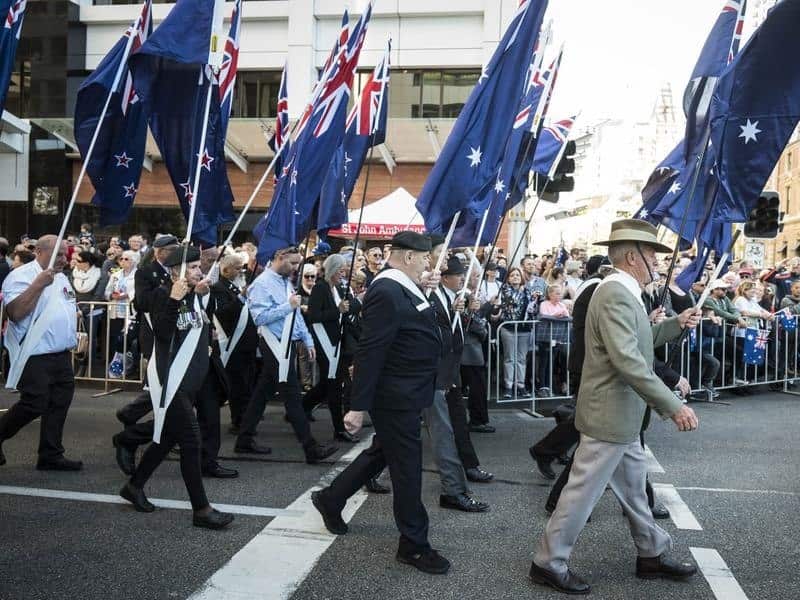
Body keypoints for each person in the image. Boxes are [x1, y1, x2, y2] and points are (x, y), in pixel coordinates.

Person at [530, 219, 701, 595]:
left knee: (636, 492)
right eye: (652, 254)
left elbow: (640, 342)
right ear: (631, 256)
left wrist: (675, 324)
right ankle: (548, 562)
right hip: (610, 414)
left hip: (620, 415)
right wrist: (673, 405)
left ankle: (652, 554)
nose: (657, 261)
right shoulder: (616, 293)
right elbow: (628, 360)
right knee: (580, 495)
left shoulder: (625, 291)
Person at [311, 231, 451, 575]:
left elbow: (420, 323)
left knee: (384, 452)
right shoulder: (387, 290)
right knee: (407, 469)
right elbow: (371, 350)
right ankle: (414, 545)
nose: (428, 264)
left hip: (410, 390)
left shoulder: (405, 285)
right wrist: (357, 406)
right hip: (395, 396)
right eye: (424, 259)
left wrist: (429, 289)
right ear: (407, 258)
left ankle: (332, 497)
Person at [119, 245, 234, 529]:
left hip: (190, 382)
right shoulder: (163, 294)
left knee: (167, 438)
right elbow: (162, 333)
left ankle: (134, 487)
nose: (199, 270)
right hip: (170, 382)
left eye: (198, 266)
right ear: (175, 271)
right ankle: (202, 509)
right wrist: (173, 299)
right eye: (193, 267)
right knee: (191, 442)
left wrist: (203, 296)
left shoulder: (195, 296)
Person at [234, 246, 336, 463]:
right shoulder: (261, 284)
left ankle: (244, 438)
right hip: (273, 345)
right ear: (279, 257)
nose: (296, 268)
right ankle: (310, 447)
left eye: (298, 263)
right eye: (292, 263)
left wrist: (307, 339)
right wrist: (286, 306)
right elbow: (259, 318)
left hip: (287, 343)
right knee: (292, 395)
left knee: (263, 392)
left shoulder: (285, 282)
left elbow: (297, 315)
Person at [0, 235, 82, 470]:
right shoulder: (21, 276)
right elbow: (15, 313)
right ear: (38, 251)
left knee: (59, 403)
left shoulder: (62, 278)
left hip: (61, 354)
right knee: (35, 403)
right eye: (57, 254)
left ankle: (51, 454)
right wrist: (38, 284)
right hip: (34, 352)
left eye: (65, 254)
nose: (63, 259)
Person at [304, 253, 362, 443]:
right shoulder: (320, 288)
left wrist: (353, 305)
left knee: (327, 385)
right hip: (324, 343)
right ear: (332, 270)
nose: (343, 274)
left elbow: (342, 313)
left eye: (345, 271)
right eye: (341, 270)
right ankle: (339, 429)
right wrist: (337, 310)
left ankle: (301, 407)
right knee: (334, 385)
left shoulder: (334, 288)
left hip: (335, 342)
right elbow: (313, 315)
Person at [210, 253, 258, 435]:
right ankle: (239, 421)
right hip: (234, 344)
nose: (240, 271)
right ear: (226, 269)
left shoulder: (234, 286)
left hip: (246, 343)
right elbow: (223, 314)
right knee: (238, 386)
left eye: (241, 267)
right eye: (237, 268)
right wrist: (240, 298)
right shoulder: (219, 288)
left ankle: (246, 418)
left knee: (248, 384)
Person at [495, 267, 535, 398]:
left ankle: (521, 385)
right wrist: (522, 292)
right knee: (510, 358)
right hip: (509, 328)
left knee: (522, 359)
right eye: (512, 275)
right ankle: (508, 386)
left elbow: (533, 307)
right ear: (508, 278)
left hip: (524, 329)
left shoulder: (528, 290)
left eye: (518, 275)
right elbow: (512, 302)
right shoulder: (505, 290)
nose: (516, 277)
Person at [104, 250, 140, 378]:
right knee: (114, 339)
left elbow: (138, 292)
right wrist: (111, 295)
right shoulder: (116, 275)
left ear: (134, 262)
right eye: (122, 259)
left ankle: (129, 368)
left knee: (127, 340)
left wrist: (126, 295)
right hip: (115, 311)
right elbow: (107, 291)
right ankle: (114, 368)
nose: (123, 261)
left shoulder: (138, 275)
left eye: (127, 259)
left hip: (130, 313)